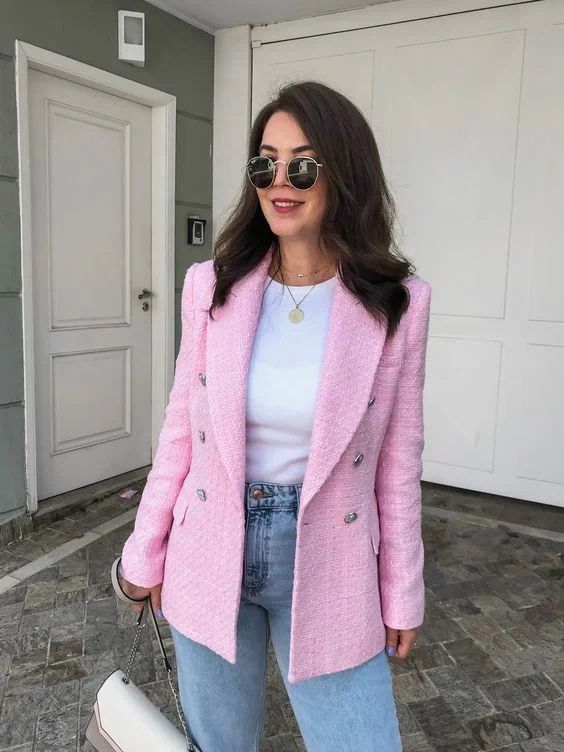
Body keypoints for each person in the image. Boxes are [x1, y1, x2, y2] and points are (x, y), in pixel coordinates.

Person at [118, 80, 432, 751]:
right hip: (210, 542)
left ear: (345, 174)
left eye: (303, 165)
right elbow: (182, 432)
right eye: (266, 163)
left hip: (330, 553)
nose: (280, 182)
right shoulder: (212, 286)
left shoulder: (396, 303)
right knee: (220, 743)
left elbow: (398, 462)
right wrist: (144, 551)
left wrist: (402, 589)